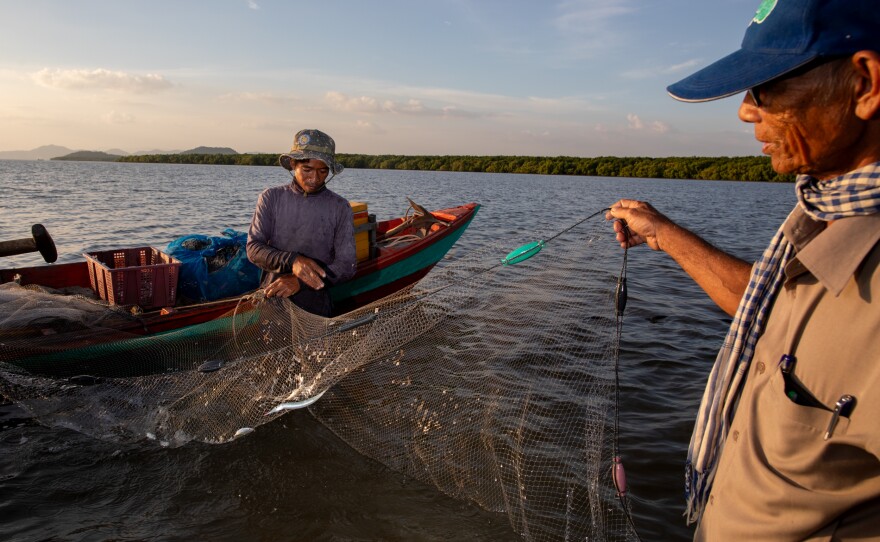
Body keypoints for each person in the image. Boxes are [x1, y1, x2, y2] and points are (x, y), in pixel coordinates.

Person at [605, 0, 880, 539]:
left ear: (866, 84)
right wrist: (663, 234)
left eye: (767, 87)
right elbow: (773, 312)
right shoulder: (824, 216)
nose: (746, 111)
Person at [246, 129, 356, 317]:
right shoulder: (271, 198)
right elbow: (254, 249)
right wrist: (293, 260)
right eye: (307, 170)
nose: (314, 178)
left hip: (316, 308)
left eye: (323, 171)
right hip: (273, 302)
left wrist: (300, 281)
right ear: (293, 164)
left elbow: (347, 265)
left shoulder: (340, 207)